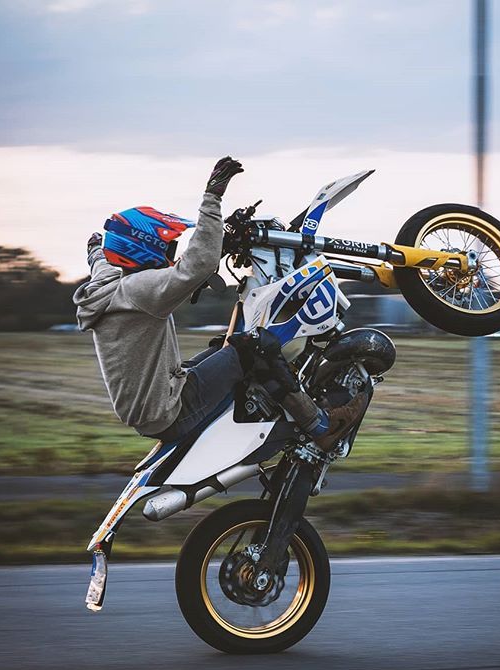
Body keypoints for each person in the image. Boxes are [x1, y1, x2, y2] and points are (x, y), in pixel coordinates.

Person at [73, 157, 367, 451]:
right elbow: (197, 265)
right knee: (256, 346)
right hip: (171, 411)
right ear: (143, 247)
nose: (172, 255)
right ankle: (320, 425)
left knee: (226, 347)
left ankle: (268, 407)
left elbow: (101, 264)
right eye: (169, 246)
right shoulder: (137, 291)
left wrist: (96, 248)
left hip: (155, 404)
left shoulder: (107, 290)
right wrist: (212, 197)